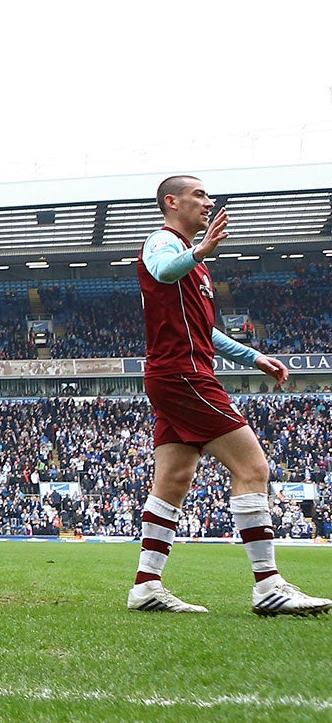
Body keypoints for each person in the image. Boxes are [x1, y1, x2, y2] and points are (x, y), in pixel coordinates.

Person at [127, 177, 328, 615]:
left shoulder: (193, 265)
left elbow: (207, 332)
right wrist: (198, 252)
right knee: (253, 466)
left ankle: (146, 586)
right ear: (171, 201)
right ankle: (268, 585)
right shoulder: (162, 242)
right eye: (199, 195)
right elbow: (162, 269)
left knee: (174, 480)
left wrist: (255, 357)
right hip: (184, 374)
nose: (208, 201)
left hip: (176, 373)